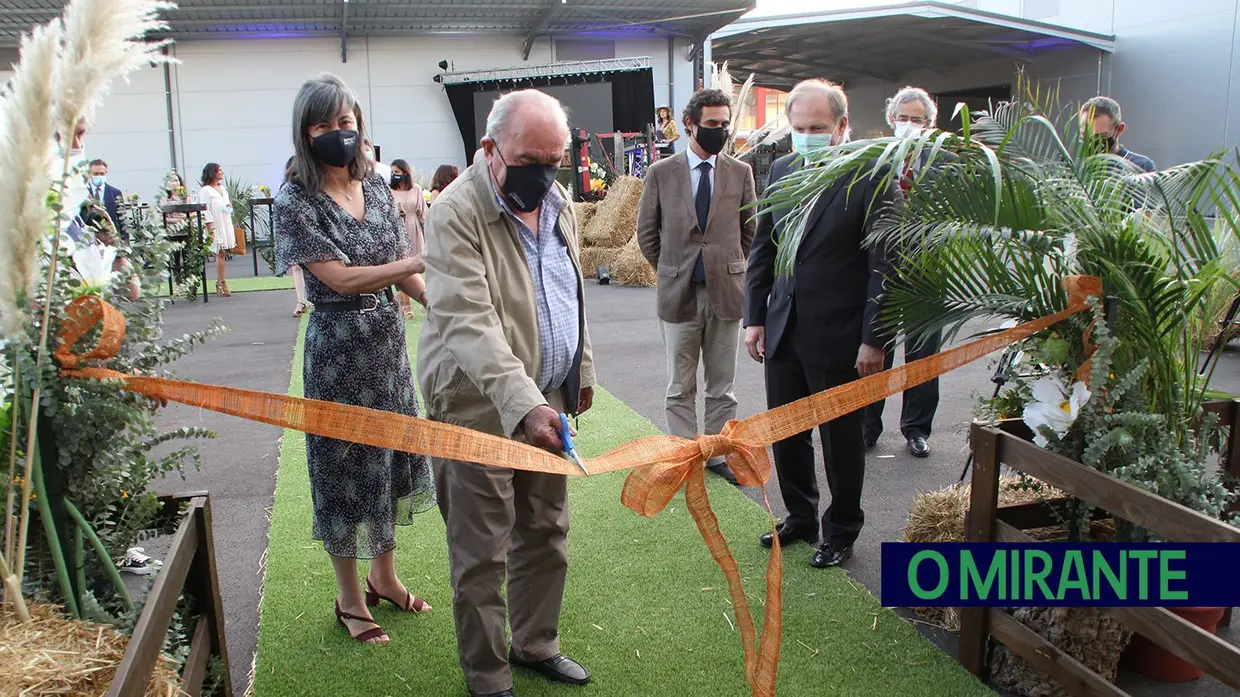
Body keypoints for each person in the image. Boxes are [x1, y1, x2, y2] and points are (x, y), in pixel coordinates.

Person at [418, 89, 595, 697]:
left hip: (545, 395)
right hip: (475, 405)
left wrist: (580, 372)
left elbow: (567, 293)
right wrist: (524, 405)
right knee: (482, 552)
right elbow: (470, 324)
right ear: (489, 149)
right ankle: (488, 678)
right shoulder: (453, 213)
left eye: (556, 160)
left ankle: (536, 643)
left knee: (546, 528)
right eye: (530, 160)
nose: (545, 174)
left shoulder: (559, 201)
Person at [274, 73, 435, 645]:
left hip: (387, 348)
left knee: (390, 463)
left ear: (359, 127)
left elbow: (400, 267)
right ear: (305, 132)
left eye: (346, 123)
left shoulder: (379, 188)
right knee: (344, 473)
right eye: (325, 125)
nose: (339, 134)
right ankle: (348, 599)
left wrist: (442, 305)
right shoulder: (294, 199)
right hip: (337, 352)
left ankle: (383, 578)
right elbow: (339, 280)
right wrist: (415, 265)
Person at [744, 79, 895, 568]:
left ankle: (842, 529)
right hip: (783, 326)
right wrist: (755, 317)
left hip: (841, 336)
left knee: (840, 439)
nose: (807, 135)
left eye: (818, 127)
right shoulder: (783, 168)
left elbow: (884, 264)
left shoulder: (870, 175)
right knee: (787, 431)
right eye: (800, 126)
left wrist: (875, 338)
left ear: (842, 127)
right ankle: (801, 516)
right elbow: (763, 248)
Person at [637, 88, 757, 486]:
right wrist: (673, 269)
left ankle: (717, 453)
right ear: (690, 124)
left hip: (726, 294)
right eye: (712, 125)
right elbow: (646, 234)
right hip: (679, 295)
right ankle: (684, 454)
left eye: (724, 125)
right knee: (680, 385)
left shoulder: (741, 173)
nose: (719, 131)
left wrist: (727, 267)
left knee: (722, 387)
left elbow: (749, 231)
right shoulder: (661, 173)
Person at [863, 86, 942, 458]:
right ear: (890, 120)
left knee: (923, 355)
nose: (909, 125)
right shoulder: (872, 160)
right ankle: (867, 425)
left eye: (918, 120)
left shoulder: (945, 163)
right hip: (881, 268)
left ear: (930, 124)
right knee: (876, 348)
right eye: (904, 118)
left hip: (928, 270)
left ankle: (917, 428)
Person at [388, 158, 429, 318]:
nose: (394, 175)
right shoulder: (389, 190)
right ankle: (406, 305)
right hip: (397, 229)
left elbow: (423, 213)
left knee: (417, 266)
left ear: (405, 173)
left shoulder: (416, 189)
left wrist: (429, 230)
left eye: (397, 172)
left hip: (413, 228)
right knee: (402, 266)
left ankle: (421, 298)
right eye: (392, 172)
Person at [1079, 96, 1155, 172]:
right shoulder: (1078, 169)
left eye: (1101, 136)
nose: (1091, 142)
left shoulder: (1141, 166)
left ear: (1119, 129)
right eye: (1084, 135)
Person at [278, 156, 311, 317]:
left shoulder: (314, 187)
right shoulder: (286, 190)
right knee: (297, 267)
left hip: (311, 233)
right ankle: (301, 301)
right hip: (295, 233)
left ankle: (308, 300)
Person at [198, 162, 236, 297]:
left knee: (223, 252)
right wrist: (210, 229)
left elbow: (225, 203)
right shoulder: (205, 191)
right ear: (213, 173)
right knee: (219, 252)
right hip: (215, 224)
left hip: (225, 221)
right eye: (219, 170)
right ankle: (222, 282)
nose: (221, 173)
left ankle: (220, 281)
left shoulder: (223, 189)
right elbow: (205, 210)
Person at [88, 159, 126, 240]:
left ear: (106, 173)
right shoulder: (83, 192)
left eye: (102, 173)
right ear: (89, 174)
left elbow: (122, 220)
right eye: (96, 173)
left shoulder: (115, 193)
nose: (99, 176)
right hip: (89, 238)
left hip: (110, 238)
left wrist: (125, 242)